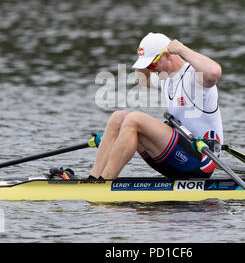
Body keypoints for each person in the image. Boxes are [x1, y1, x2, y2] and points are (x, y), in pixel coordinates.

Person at [89, 32, 223, 180]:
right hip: (182, 156)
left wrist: (182, 49)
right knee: (118, 118)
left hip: (203, 161)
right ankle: (93, 180)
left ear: (168, 55)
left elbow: (214, 72)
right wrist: (144, 59)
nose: (150, 69)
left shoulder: (196, 77)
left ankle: (105, 183)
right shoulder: (165, 77)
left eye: (152, 64)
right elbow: (142, 79)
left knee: (134, 119)